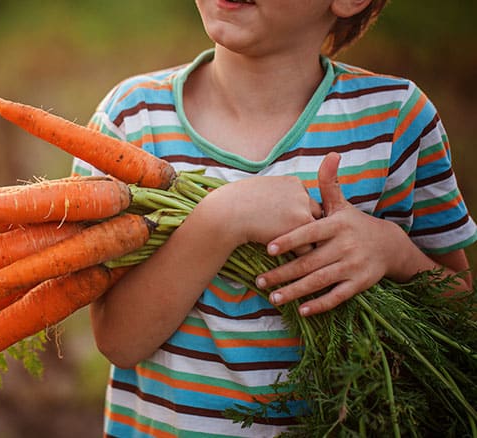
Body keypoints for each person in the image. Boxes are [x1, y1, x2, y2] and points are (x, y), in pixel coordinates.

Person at [71, 0, 476, 436]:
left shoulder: (396, 120)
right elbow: (119, 340)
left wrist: (393, 251)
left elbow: (458, 313)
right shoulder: (132, 121)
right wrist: (223, 219)